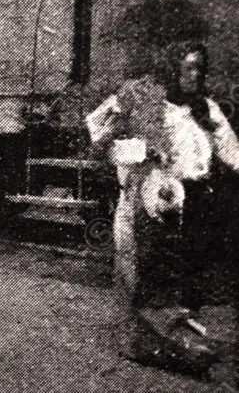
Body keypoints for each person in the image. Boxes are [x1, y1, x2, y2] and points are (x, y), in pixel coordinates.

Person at [87, 38, 239, 371]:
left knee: (180, 278)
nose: (195, 75)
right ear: (171, 69)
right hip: (143, 202)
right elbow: (97, 136)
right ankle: (138, 342)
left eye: (201, 67)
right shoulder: (138, 101)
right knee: (137, 273)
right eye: (188, 67)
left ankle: (178, 344)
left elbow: (232, 151)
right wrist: (142, 150)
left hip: (188, 205)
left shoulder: (205, 109)